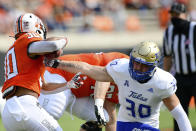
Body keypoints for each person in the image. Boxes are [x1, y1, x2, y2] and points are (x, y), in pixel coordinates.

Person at [45, 41, 192, 131]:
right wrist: (58, 63)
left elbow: (179, 114)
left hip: (145, 125)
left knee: (105, 119)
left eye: (144, 66)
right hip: (124, 125)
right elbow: (93, 72)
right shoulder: (121, 67)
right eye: (136, 63)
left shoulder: (162, 82)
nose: (138, 69)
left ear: (153, 66)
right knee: (54, 113)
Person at [1, 13, 74, 131]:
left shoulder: (15, 50)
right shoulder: (26, 39)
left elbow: (44, 87)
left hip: (9, 112)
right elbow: (54, 45)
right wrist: (65, 40)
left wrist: (68, 85)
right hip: (26, 104)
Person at [38, 52, 129, 131]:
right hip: (59, 75)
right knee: (52, 112)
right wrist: (98, 103)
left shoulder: (127, 85)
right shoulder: (121, 63)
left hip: (75, 94)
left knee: (104, 118)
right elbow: (102, 79)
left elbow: (111, 122)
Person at [162, 2, 196, 131]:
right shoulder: (169, 32)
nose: (175, 17)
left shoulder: (194, 28)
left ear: (185, 14)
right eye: (173, 14)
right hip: (180, 78)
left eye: (178, 14)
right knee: (178, 112)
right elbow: (168, 56)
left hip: (195, 75)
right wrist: (166, 77)